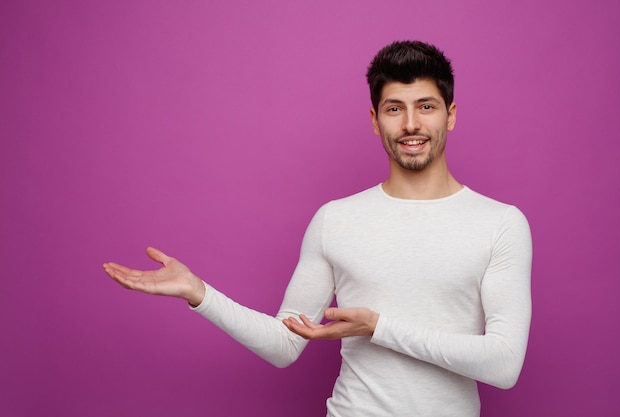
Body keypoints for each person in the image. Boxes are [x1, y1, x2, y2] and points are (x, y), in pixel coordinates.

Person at [103, 40, 532, 417]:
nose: (411, 125)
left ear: (450, 115)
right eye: (394, 108)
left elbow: (504, 364)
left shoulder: (499, 223)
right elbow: (285, 343)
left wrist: (378, 327)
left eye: (426, 106)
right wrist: (200, 293)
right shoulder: (336, 219)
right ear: (374, 119)